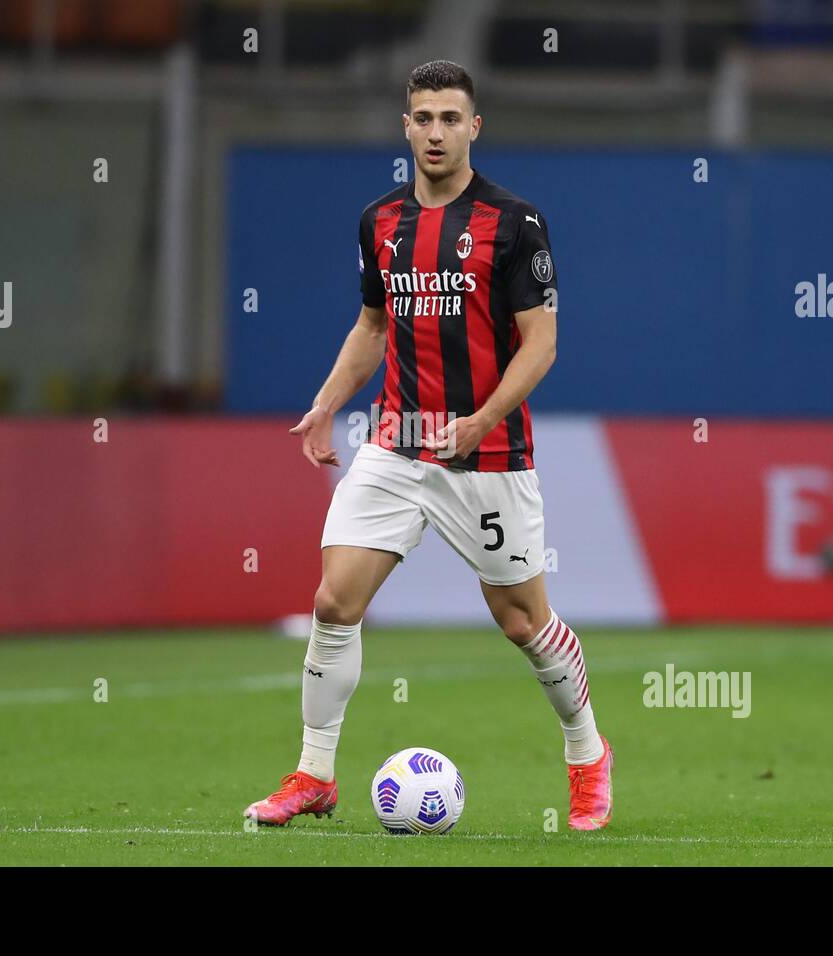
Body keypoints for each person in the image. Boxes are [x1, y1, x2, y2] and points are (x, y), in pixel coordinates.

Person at [244, 60, 612, 831]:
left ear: (474, 127)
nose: (436, 131)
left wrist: (479, 420)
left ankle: (586, 754)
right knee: (332, 602)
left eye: (451, 118)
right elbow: (372, 327)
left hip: (488, 456)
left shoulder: (515, 223)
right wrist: (323, 406)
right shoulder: (380, 222)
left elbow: (540, 345)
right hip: (396, 445)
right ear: (405, 127)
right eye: (423, 117)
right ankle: (314, 773)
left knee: (523, 625)